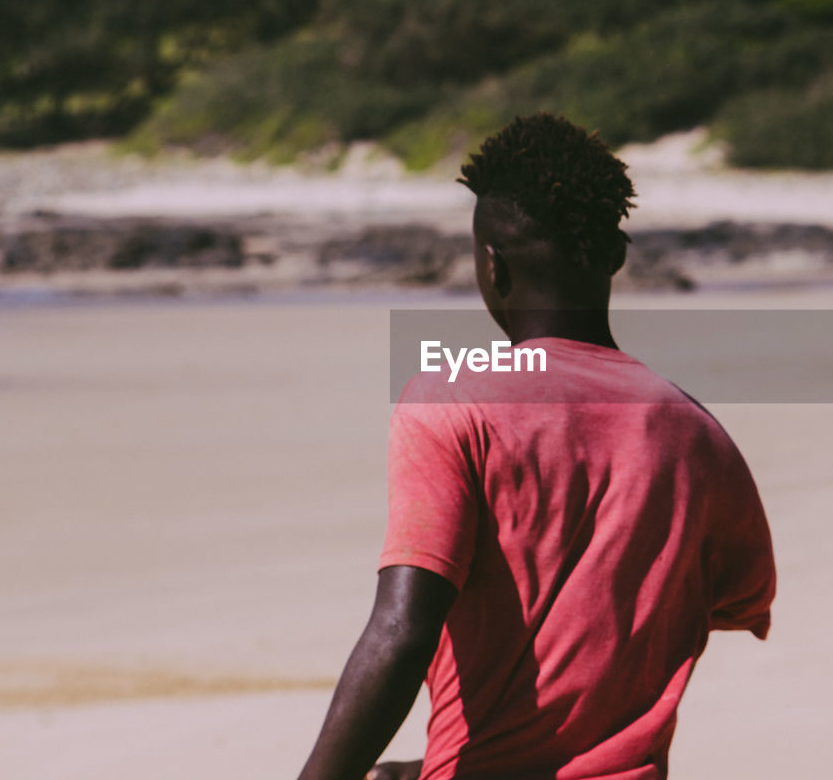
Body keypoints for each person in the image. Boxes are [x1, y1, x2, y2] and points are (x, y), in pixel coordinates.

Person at [296, 114, 776, 780]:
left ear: (490, 265)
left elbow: (403, 631)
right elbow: (731, 601)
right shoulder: (697, 435)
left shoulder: (452, 400)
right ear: (616, 255)